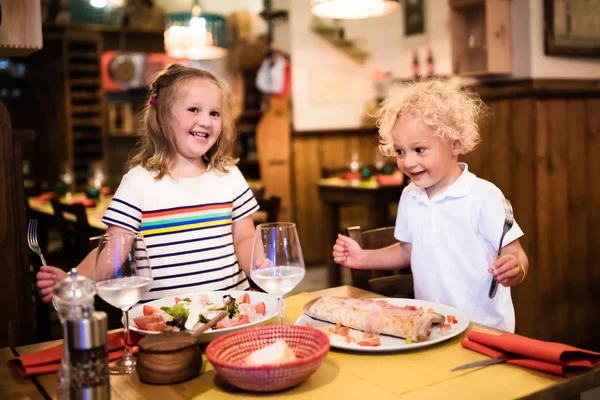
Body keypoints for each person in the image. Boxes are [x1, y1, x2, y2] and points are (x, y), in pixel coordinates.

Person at [37, 64, 258, 304]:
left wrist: (260, 263)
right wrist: (76, 279)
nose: (206, 121)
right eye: (194, 109)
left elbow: (245, 238)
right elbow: (113, 249)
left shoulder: (229, 176)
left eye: (214, 113)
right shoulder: (138, 182)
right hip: (164, 324)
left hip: (230, 311)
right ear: (161, 118)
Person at [332, 80, 529, 332]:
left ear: (455, 144)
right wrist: (362, 258)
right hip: (431, 326)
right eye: (400, 151)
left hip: (484, 330)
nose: (408, 162)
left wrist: (515, 266)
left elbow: (516, 253)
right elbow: (407, 251)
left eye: (420, 149)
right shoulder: (410, 196)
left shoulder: (484, 196)